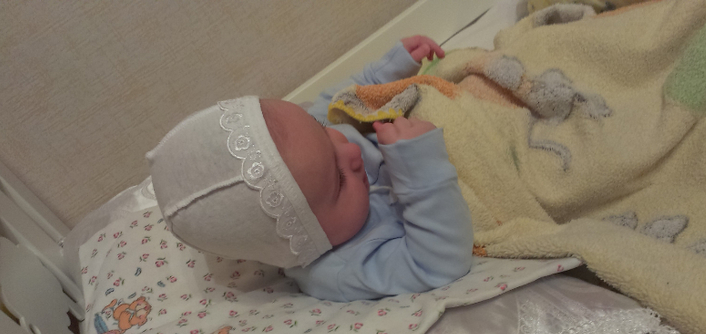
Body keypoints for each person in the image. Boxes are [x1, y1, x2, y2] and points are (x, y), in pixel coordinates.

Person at [147, 36, 473, 302]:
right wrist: (420, 165)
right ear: (307, 243)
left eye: (321, 130)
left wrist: (384, 73)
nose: (351, 150)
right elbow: (438, 263)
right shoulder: (340, 268)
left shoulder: (309, 147)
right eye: (340, 180)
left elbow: (333, 102)